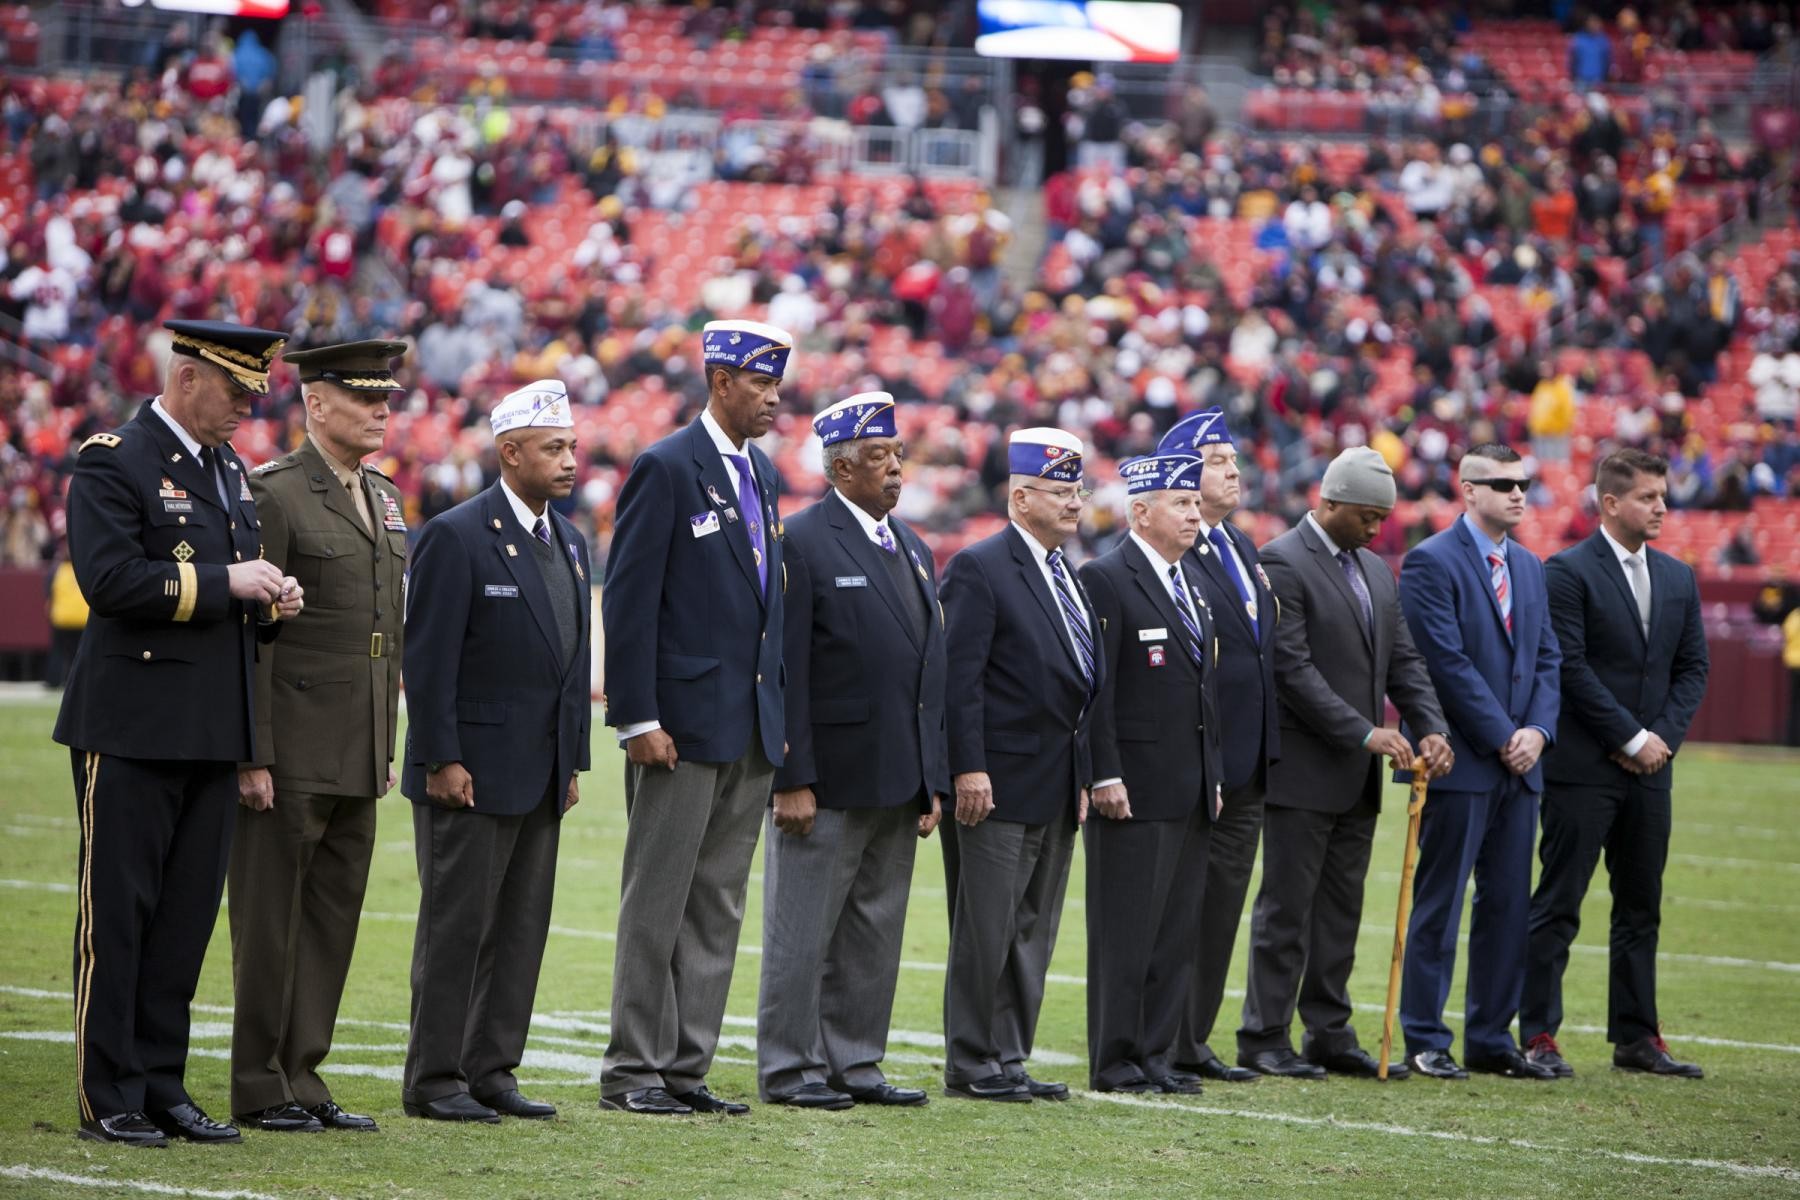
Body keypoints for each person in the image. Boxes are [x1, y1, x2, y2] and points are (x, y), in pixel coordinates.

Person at [53, 319, 303, 1146]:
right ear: (187, 377)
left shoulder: (226, 469)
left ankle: (161, 1082)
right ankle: (108, 1091)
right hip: (131, 725)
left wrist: (267, 603)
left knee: (184, 922)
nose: (245, 407)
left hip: (208, 728)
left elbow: (227, 601)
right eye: (234, 390)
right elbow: (111, 580)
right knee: (120, 917)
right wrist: (225, 579)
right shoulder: (112, 458)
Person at [600, 321, 790, 1117]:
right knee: (658, 901)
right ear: (721, 381)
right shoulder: (667, 467)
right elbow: (631, 598)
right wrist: (635, 713)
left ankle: (685, 1067)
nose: (775, 398)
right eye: (762, 383)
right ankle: (634, 1071)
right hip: (676, 727)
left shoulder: (765, 475)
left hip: (745, 726)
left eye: (778, 384)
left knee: (717, 904)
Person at [227, 340, 411, 1133]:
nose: (381, 409)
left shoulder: (384, 495)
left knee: (332, 918)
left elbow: (384, 630)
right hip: (293, 743)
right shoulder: (276, 494)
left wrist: (385, 741)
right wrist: (254, 751)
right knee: (270, 920)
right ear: (316, 403)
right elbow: (253, 638)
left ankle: (303, 1074)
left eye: (386, 398)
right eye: (364, 396)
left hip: (359, 744)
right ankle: (258, 1082)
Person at [399, 380, 591, 1123]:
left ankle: (492, 1069)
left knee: (519, 931)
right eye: (554, 448)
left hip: (539, 773)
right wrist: (440, 758)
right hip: (470, 773)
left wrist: (570, 761)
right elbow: (430, 660)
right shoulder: (456, 535)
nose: (570, 460)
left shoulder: (570, 543)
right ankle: (434, 1077)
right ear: (509, 454)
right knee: (457, 930)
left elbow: (569, 669)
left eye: (571, 446)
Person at [756, 393, 947, 1112]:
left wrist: (932, 777)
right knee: (802, 933)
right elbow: (787, 669)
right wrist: (791, 775)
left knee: (874, 932)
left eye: (897, 455)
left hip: (897, 780)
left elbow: (930, 674)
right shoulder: (801, 541)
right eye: (877, 457)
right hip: (827, 779)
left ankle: (856, 1060)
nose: (894, 468)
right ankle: (789, 1067)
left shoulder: (916, 549)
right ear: (840, 468)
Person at [1237, 447, 1453, 1081]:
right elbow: (1292, 669)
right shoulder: (1281, 560)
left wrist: (1432, 727)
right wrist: (1364, 733)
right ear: (1329, 503)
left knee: (1340, 911)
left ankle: (1328, 1030)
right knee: (1286, 910)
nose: (1376, 528)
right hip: (1303, 771)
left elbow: (1405, 662)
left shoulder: (1378, 573)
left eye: (1382, 517)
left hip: (1356, 777)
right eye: (1365, 516)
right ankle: (1264, 1034)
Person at [1523, 449, 1710, 1078]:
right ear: (1610, 503)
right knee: (1559, 904)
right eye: (1648, 497)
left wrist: (1661, 740)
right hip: (1583, 770)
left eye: (1662, 495)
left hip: (1652, 772)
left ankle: (1636, 1037)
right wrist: (1631, 738)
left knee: (1641, 906)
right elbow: (1569, 668)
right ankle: (1537, 1034)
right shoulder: (1567, 572)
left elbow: (1692, 669)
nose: (1661, 506)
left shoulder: (1679, 577)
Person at [939, 427, 1100, 1103]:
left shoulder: (1066, 572)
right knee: (988, 926)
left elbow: (1082, 687)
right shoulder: (981, 567)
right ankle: (973, 1060)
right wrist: (967, 767)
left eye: (1078, 491)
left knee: (1031, 928)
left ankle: (1008, 1053)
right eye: (1061, 493)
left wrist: (1086, 772)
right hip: (996, 782)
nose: (1075, 504)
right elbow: (958, 680)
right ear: (1021, 495)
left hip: (1056, 782)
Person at [1395, 444, 1563, 1082]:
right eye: (1502, 484)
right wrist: (1504, 736)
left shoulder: (1528, 564)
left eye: (1524, 484)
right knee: (1440, 901)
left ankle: (1492, 1037)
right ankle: (1425, 1037)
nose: (1518, 494)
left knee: (1507, 908)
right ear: (1467, 490)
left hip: (1520, 766)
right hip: (1462, 762)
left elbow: (1548, 659)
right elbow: (1444, 664)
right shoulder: (1430, 561)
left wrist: (1539, 732)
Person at [1077, 452, 1220, 1095]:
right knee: (1125, 932)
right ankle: (1116, 1061)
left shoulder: (1192, 580)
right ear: (1141, 511)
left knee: (1174, 931)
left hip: (1189, 784)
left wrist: (1212, 771)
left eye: (1195, 503)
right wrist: (1103, 772)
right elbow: (1096, 690)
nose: (1195, 514)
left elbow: (1202, 691)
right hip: (1131, 785)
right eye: (1181, 504)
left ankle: (1157, 1056)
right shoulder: (1107, 577)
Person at [1156, 409, 1279, 1087]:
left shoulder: (1242, 547)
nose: (1233, 471)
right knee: (1183, 905)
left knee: (1222, 908)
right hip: (1200, 763)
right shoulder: (1177, 554)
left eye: (1234, 460)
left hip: (1248, 763)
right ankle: (1165, 1034)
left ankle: (1193, 1036)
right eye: (1216, 460)